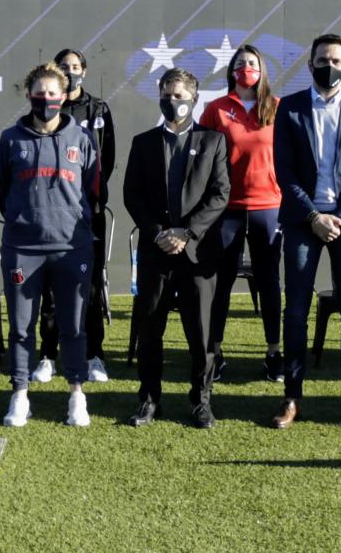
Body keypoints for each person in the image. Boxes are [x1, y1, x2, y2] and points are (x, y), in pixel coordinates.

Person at [270, 32, 341, 431]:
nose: (329, 66)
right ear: (310, 63)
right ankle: (292, 399)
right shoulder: (289, 109)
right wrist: (314, 216)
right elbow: (282, 170)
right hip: (303, 221)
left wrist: (340, 215)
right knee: (296, 310)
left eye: (335, 60)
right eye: (322, 59)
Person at [124, 68, 231, 427]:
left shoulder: (213, 141)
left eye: (180, 95)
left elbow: (220, 194)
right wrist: (158, 233)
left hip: (198, 254)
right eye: (167, 95)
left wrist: (187, 233)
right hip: (156, 252)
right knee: (150, 330)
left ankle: (201, 401)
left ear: (194, 98)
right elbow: (132, 195)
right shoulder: (143, 142)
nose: (173, 101)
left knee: (201, 334)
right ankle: (149, 400)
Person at [0, 63, 101, 428]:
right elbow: (1, 190)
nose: (46, 100)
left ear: (64, 95)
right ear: (29, 96)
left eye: (52, 94)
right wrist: (26, 218)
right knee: (21, 327)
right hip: (22, 246)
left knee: (74, 326)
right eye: (39, 94)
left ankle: (76, 394)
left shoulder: (82, 139)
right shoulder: (11, 139)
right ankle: (21, 394)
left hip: (72, 247)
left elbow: (92, 190)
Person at [200, 43, 284, 383]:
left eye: (252, 63)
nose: (246, 68)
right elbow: (203, 157)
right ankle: (215, 352)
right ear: (231, 71)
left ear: (262, 70)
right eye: (240, 63)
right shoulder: (216, 109)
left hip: (269, 208)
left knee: (270, 283)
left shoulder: (277, 107)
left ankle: (274, 352)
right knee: (221, 284)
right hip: (227, 209)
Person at [33, 47, 117, 384]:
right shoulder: (48, 108)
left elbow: (105, 161)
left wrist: (88, 198)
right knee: (51, 290)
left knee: (91, 289)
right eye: (64, 67)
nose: (71, 71)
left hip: (87, 213)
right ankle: (47, 356)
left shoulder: (98, 109)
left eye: (76, 66)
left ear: (84, 69)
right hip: (51, 215)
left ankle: (94, 355)